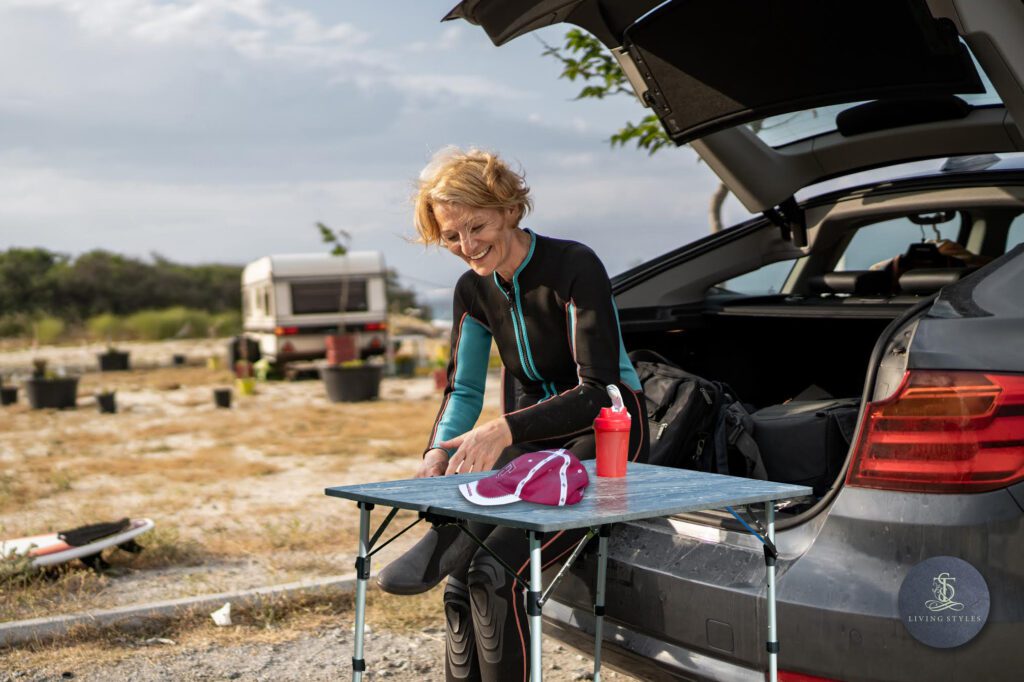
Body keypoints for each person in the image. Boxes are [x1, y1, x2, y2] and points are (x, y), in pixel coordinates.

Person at [378, 147, 649, 682]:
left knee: (492, 571)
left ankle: (451, 534)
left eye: (475, 226)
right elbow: (463, 388)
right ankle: (448, 536)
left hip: (609, 431)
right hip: (534, 442)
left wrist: (504, 431)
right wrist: (438, 451)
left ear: (508, 208)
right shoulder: (471, 289)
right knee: (460, 583)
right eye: (450, 237)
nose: (466, 245)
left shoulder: (572, 265)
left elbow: (598, 389)